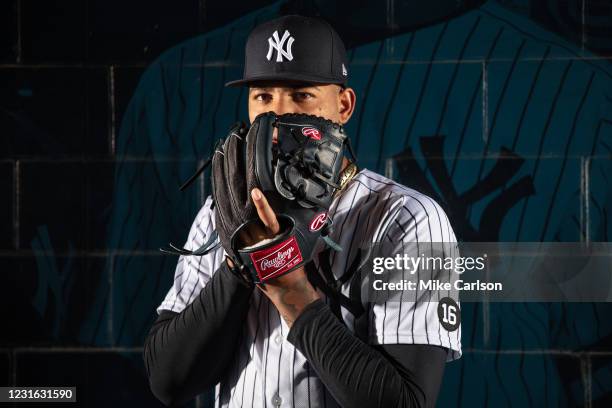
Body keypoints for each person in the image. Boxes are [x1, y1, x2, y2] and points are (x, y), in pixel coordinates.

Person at [143, 15, 461, 408]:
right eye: (263, 97)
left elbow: (405, 402)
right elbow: (169, 380)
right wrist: (239, 268)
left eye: (302, 95)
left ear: (343, 106)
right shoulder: (219, 212)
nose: (276, 121)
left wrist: (289, 285)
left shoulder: (407, 218)